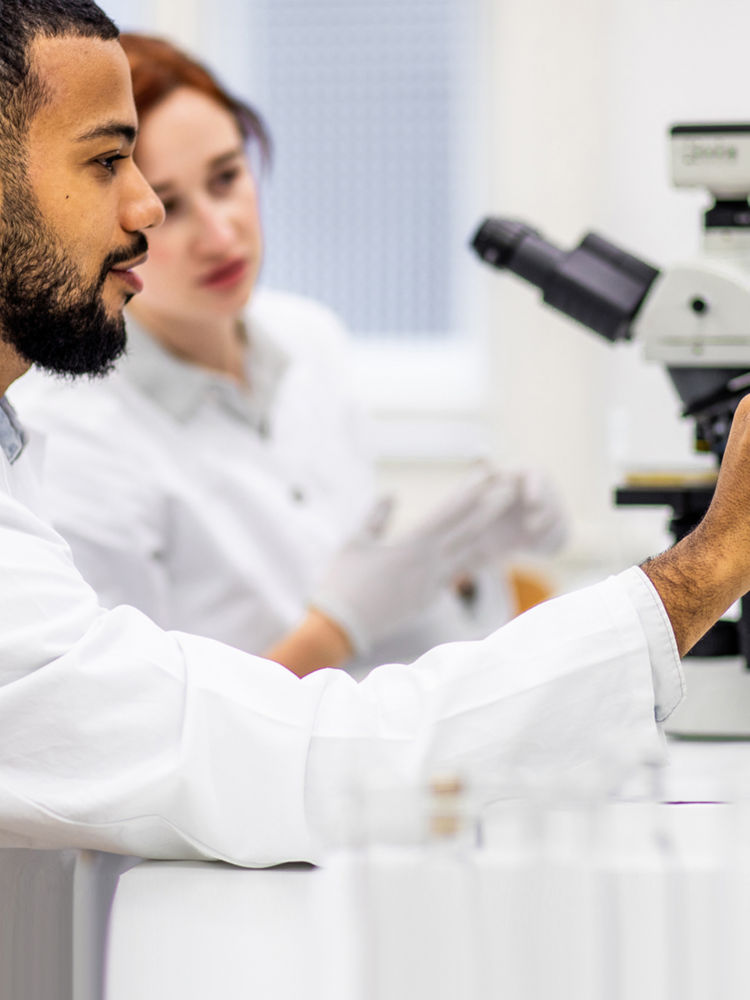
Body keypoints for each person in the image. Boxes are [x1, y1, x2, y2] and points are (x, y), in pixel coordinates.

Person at [0, 0, 746, 868]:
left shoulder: (299, 347)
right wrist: (712, 563)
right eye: (107, 162)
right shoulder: (82, 430)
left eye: (227, 176)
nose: (154, 215)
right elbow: (268, 756)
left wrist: (464, 581)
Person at [12, 31, 568, 678]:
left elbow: (379, 621)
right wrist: (337, 628)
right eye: (171, 206)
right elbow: (137, 724)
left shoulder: (310, 339)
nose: (220, 235)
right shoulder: (74, 436)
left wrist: (455, 566)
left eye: (227, 177)